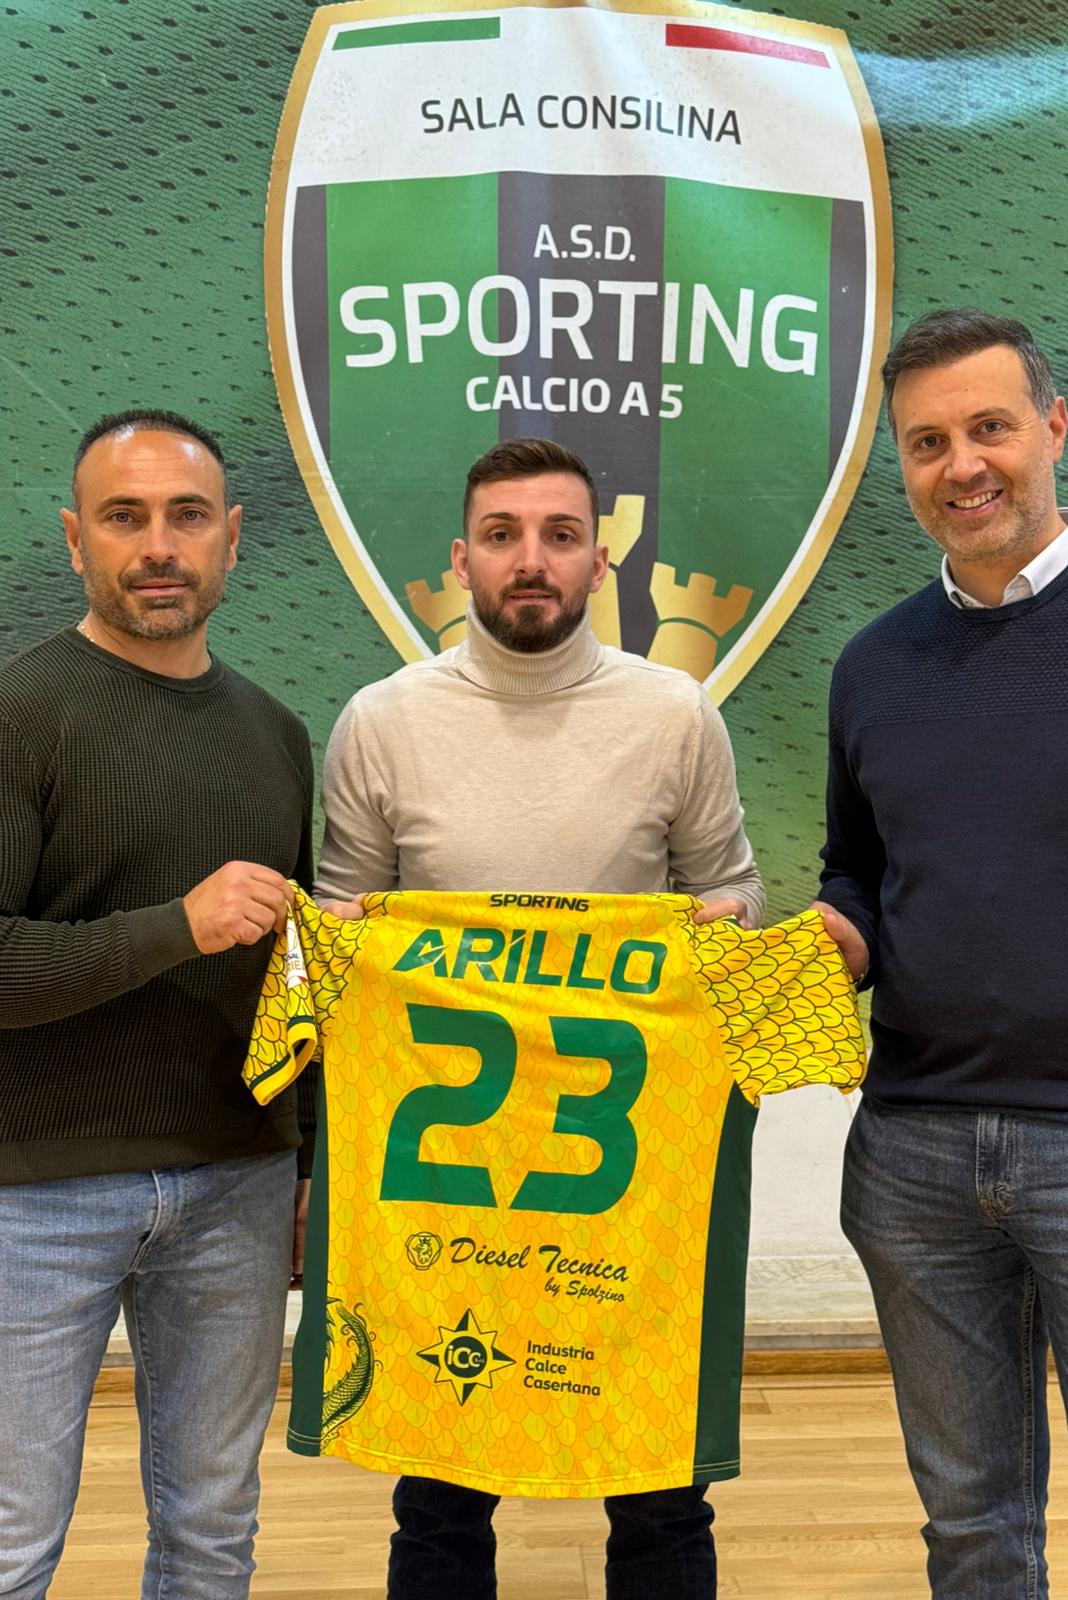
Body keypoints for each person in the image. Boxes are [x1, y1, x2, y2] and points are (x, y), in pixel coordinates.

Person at [316, 435, 764, 1600]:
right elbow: (343, 941)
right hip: (447, 1177)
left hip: (624, 1176)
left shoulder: (676, 715)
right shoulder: (381, 721)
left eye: (561, 536)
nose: (532, 560)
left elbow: (733, 891)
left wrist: (722, 926)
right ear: (461, 557)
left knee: (661, 1488)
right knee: (438, 1495)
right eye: (503, 536)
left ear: (600, 560)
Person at [815, 308, 1068, 1597]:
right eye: (927, 442)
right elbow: (859, 870)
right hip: (916, 1159)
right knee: (972, 1535)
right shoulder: (872, 667)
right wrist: (835, 935)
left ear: (1054, 426)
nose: (962, 464)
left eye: (989, 427)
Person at [0, 410, 314, 1599]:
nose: (159, 546)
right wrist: (176, 926)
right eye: (124, 517)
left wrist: (309, 1165)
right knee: (12, 1539)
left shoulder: (277, 735)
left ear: (232, 537)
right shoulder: (21, 712)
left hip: (239, 1186)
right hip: (35, 1196)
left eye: (186, 516)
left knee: (211, 1533)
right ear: (75, 538)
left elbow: (296, 988)